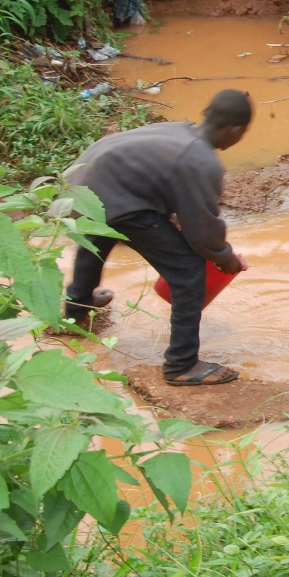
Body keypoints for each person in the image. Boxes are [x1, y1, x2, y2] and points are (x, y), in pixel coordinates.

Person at [63, 89, 255, 385]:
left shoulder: (176, 131)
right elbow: (203, 235)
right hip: (113, 200)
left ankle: (76, 308)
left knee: (96, 239)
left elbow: (156, 184)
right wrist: (225, 257)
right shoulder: (202, 161)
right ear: (237, 130)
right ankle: (182, 364)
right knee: (189, 272)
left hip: (80, 187)